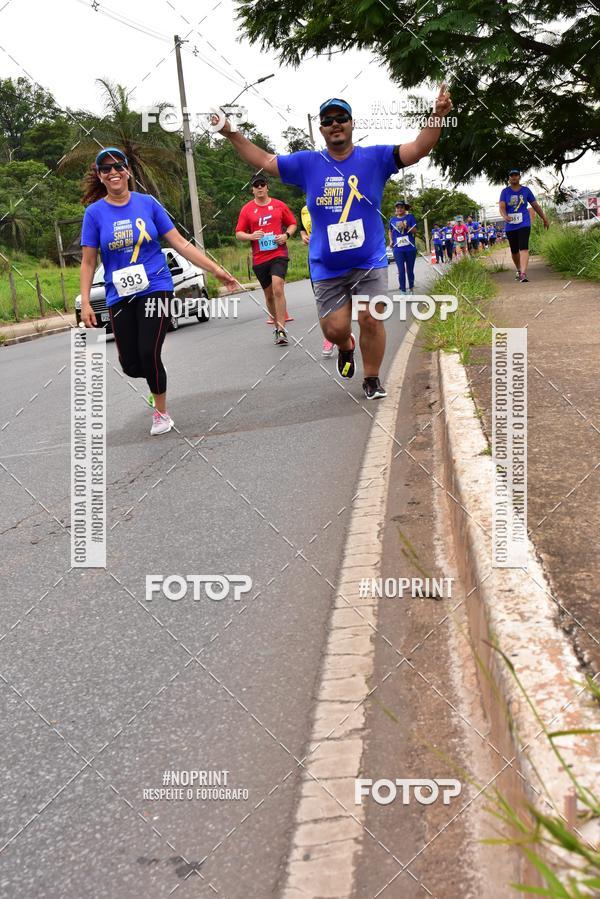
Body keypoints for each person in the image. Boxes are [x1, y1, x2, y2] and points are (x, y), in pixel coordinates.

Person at [213, 85, 453, 400]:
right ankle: (345, 345)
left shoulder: (376, 158)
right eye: (328, 120)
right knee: (335, 329)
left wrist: (436, 116)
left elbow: (419, 148)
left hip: (369, 262)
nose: (335, 123)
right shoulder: (308, 164)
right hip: (326, 266)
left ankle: (371, 378)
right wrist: (231, 133)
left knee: (370, 317)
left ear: (352, 124)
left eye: (341, 117)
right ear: (322, 130)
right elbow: (264, 159)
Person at [80, 147, 236, 435]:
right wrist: (87, 301)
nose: (113, 172)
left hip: (156, 286)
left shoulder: (148, 203)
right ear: (100, 176)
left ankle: (161, 413)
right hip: (119, 294)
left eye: (118, 166)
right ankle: (155, 382)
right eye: (106, 169)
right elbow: (89, 261)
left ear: (128, 171)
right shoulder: (94, 214)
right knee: (129, 364)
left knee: (148, 350)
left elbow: (181, 244)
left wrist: (216, 270)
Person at [235, 174, 297, 345]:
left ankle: (282, 329)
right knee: (269, 296)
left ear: (267, 187)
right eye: (256, 185)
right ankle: (277, 327)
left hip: (278, 254)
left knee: (278, 288)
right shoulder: (247, 209)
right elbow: (238, 233)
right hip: (259, 258)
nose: (260, 188)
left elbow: (292, 223)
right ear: (252, 189)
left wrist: (286, 235)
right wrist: (251, 236)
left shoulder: (279, 205)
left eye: (262, 184)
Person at [499, 168, 549, 282]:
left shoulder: (526, 190)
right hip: (510, 225)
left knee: (524, 248)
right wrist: (505, 216)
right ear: (509, 178)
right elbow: (501, 208)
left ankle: (523, 273)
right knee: (514, 251)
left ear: (519, 177)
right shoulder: (505, 192)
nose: (514, 177)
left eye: (516, 175)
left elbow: (535, 206)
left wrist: (544, 218)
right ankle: (518, 269)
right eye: (512, 175)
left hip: (524, 223)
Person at [301, 203, 334, 356]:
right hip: (315, 256)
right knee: (321, 297)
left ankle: (342, 333)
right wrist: (303, 236)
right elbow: (303, 228)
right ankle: (329, 337)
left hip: (336, 252)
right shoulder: (304, 210)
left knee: (342, 296)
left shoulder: (332, 202)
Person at [389, 200, 418, 294]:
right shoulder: (392, 220)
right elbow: (390, 231)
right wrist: (391, 240)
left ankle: (411, 288)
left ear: (405, 208)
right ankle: (402, 290)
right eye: (397, 207)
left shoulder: (410, 217)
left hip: (410, 247)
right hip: (398, 249)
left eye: (401, 207)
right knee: (401, 270)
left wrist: (406, 226)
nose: (399, 209)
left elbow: (415, 231)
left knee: (410, 270)